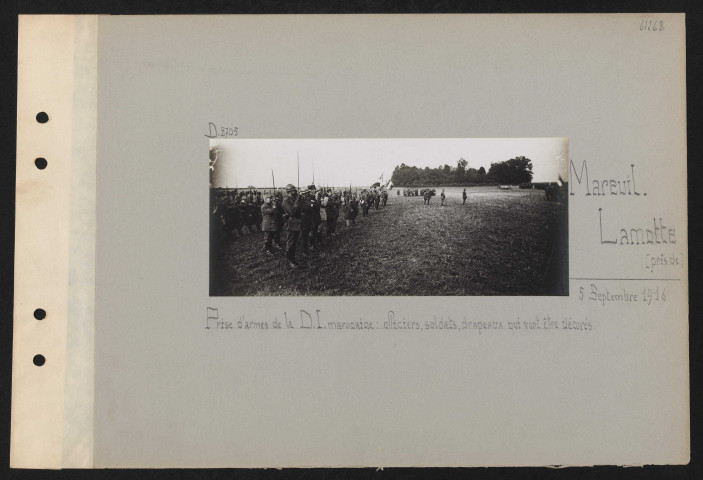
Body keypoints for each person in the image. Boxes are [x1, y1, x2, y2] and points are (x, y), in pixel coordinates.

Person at [282, 184, 302, 267]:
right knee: (290, 243)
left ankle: (292, 259)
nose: (296, 191)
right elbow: (292, 212)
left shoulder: (293, 199)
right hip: (291, 224)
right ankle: (290, 260)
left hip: (296, 223)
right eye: (294, 190)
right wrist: (297, 200)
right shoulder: (286, 200)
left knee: (294, 242)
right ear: (290, 192)